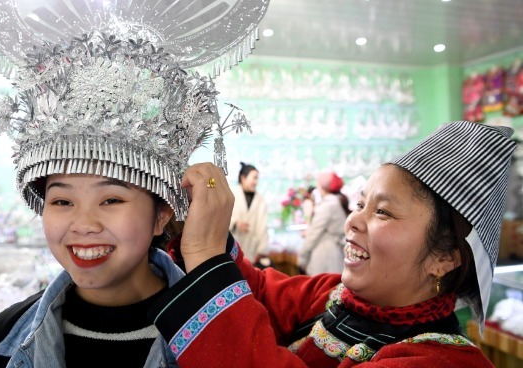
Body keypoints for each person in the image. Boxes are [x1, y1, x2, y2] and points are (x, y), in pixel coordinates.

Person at [0, 0, 273, 367]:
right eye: (62, 201)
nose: (83, 224)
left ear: (161, 214)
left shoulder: (231, 342)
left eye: (111, 199)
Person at [148, 121, 516, 367]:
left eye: (383, 212)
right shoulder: (334, 294)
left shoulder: (441, 361)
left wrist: (206, 257)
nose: (353, 220)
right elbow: (258, 292)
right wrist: (195, 217)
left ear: (445, 257)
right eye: (360, 204)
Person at [298, 171, 348, 275]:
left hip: (325, 254)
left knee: (324, 283)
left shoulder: (327, 205)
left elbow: (313, 234)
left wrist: (302, 256)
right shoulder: (335, 202)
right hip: (332, 252)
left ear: (321, 186)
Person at [229, 162, 269, 265]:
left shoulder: (261, 200)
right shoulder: (230, 194)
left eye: (257, 178)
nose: (256, 182)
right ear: (243, 178)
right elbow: (220, 219)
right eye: (254, 178)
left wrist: (262, 250)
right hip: (232, 248)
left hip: (252, 251)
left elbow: (263, 227)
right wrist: (235, 224)